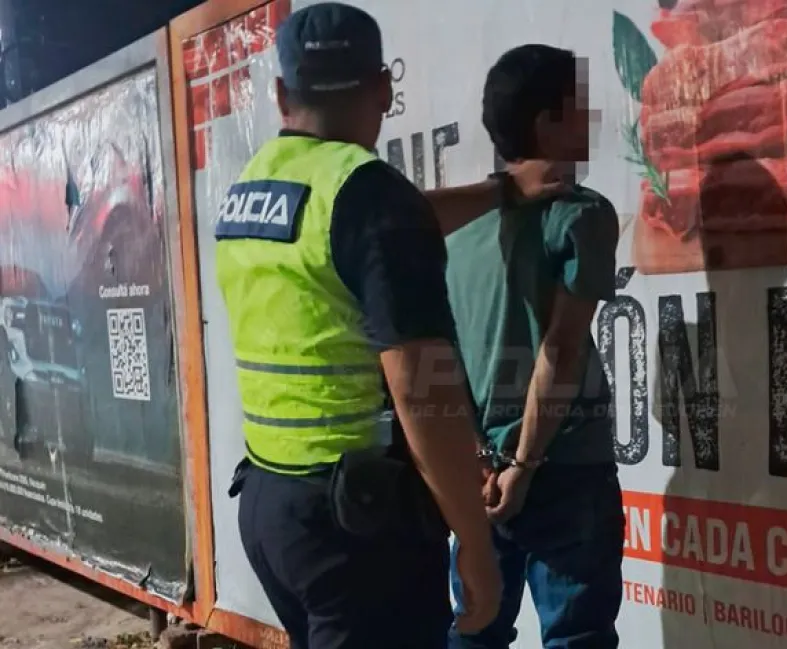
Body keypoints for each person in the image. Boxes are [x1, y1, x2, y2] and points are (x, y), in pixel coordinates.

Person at [216, 5, 562, 649]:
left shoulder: (257, 184)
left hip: (272, 508)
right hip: (357, 530)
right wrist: (477, 545)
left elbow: (372, 234)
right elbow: (422, 392)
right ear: (383, 88)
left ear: (283, 93)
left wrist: (499, 192)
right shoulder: (370, 198)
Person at [444, 44, 625, 649]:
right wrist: (522, 466)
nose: (593, 118)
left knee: (474, 630)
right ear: (550, 122)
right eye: (581, 107)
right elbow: (562, 350)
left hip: (480, 473)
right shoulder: (583, 216)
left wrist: (480, 459)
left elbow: (445, 352)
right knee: (577, 637)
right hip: (562, 466)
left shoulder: (462, 222)